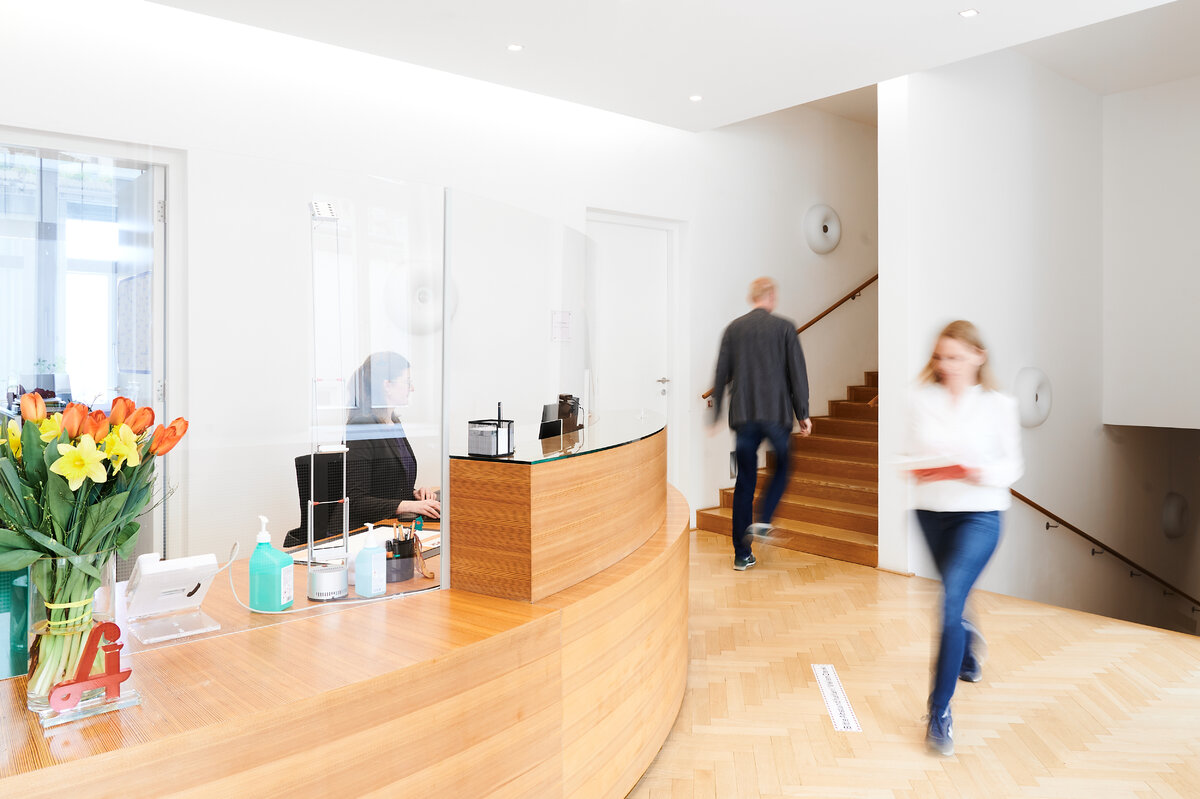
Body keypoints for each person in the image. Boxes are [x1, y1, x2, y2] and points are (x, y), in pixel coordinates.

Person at [906, 320, 1022, 757]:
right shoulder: (920, 399)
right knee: (954, 601)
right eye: (940, 357)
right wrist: (918, 467)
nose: (946, 365)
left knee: (950, 601)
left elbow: (1012, 467)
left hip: (980, 515)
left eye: (955, 357)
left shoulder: (999, 405)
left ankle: (939, 712)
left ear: (978, 356)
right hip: (930, 513)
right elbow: (906, 455)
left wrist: (974, 471)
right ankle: (968, 645)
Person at [710, 277, 812, 571]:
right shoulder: (784, 328)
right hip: (775, 415)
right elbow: (797, 374)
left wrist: (715, 414)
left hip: (744, 416)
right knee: (783, 465)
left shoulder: (733, 329)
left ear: (752, 297)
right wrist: (803, 413)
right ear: (771, 297)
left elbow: (720, 374)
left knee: (745, 481)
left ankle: (742, 555)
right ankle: (764, 519)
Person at [345, 351, 441, 530]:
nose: (412, 388)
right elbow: (357, 501)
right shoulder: (362, 426)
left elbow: (386, 484)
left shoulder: (393, 421)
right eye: (407, 382)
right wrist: (409, 505)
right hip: (367, 530)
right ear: (387, 385)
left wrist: (414, 494)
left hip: (392, 524)